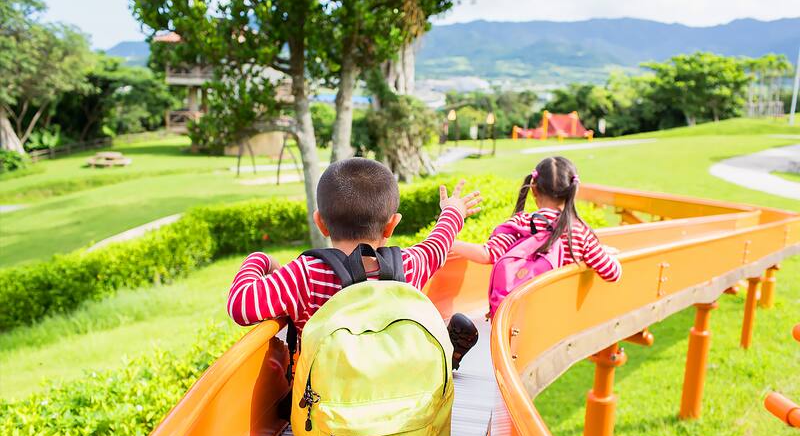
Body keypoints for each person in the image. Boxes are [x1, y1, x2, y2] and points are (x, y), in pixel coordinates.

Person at [226, 157, 482, 368]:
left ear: (320, 222)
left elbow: (241, 305)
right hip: (399, 406)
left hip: (327, 415)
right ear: (392, 224)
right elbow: (437, 244)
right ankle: (445, 355)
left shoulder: (304, 276)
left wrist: (260, 259)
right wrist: (453, 210)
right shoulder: (408, 265)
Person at [448, 156, 622, 343]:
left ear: (534, 189)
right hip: (551, 328)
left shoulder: (521, 223)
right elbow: (613, 273)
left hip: (511, 323)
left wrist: (448, 240)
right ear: (572, 190)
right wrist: (606, 253)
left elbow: (487, 254)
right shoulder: (578, 233)